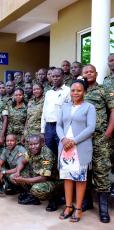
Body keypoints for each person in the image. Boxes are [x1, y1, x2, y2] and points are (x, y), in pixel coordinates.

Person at [56, 79, 96, 222]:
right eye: (73, 90)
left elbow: (90, 128)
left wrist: (73, 141)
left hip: (80, 147)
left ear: (84, 91)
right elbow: (58, 125)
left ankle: (78, 209)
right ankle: (68, 206)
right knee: (67, 177)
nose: (75, 93)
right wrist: (63, 139)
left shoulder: (89, 107)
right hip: (65, 147)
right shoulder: (64, 106)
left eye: (79, 90)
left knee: (79, 179)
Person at [82, 64, 114, 223]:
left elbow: (113, 110)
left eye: (91, 71)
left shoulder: (104, 90)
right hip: (82, 139)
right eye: (85, 72)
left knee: (101, 171)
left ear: (96, 73)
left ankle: (103, 208)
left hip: (99, 137)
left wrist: (108, 132)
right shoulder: (79, 90)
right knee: (85, 171)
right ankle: (87, 201)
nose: (88, 74)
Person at [13, 135, 56, 207]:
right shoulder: (31, 151)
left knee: (36, 189)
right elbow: (22, 162)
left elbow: (43, 178)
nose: (33, 146)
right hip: (38, 176)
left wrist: (23, 179)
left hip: (53, 181)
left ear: (42, 143)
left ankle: (54, 198)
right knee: (18, 174)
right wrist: (17, 172)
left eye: (36, 144)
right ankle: (33, 197)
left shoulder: (46, 154)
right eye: (31, 144)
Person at [41, 68, 70, 157]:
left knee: (62, 152)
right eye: (53, 76)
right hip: (49, 127)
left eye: (57, 76)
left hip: (61, 126)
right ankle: (51, 171)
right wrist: (42, 131)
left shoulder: (68, 90)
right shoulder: (48, 93)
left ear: (63, 77)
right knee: (49, 153)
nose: (55, 78)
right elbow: (44, 112)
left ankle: (61, 171)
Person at [103, 53, 114, 197]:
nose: (112, 62)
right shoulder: (106, 81)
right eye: (110, 60)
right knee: (110, 156)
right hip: (110, 123)